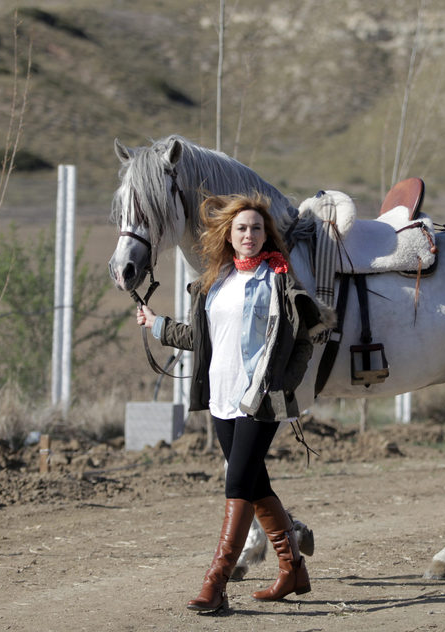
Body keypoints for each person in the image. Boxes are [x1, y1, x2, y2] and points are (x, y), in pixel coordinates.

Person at [136, 192, 330, 613]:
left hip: (259, 397)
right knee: (255, 484)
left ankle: (216, 583)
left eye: (256, 228)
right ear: (229, 233)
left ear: (266, 235)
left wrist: (285, 382)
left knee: (237, 484)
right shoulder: (217, 280)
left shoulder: (279, 278)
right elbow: (202, 339)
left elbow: (305, 338)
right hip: (220, 397)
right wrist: (158, 326)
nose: (249, 234)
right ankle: (293, 568)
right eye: (242, 227)